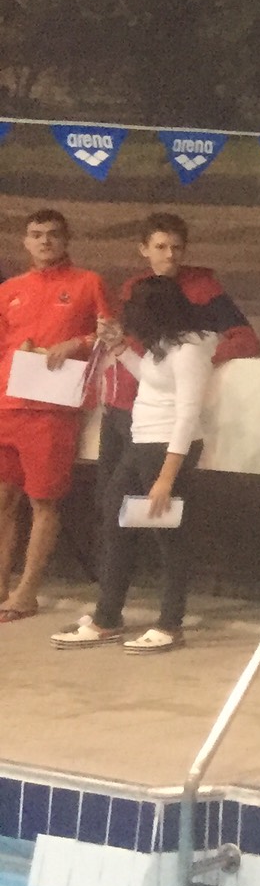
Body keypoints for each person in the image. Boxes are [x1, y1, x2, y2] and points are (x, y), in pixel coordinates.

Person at [53, 276, 214, 651]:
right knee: (115, 520)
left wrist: (166, 478)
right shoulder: (164, 345)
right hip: (141, 442)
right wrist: (120, 348)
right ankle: (107, 617)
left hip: (167, 449)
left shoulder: (190, 351)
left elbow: (187, 415)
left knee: (170, 536)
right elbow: (151, 379)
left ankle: (170, 623)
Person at [0, 210, 114, 621]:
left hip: (52, 409)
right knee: (2, 499)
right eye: (36, 234)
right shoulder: (10, 289)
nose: (44, 241)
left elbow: (111, 334)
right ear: (25, 241)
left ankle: (26, 592)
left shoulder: (88, 282)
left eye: (52, 234)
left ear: (66, 240)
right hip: (7, 404)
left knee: (43, 500)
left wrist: (77, 342)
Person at [96, 211, 259, 487]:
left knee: (140, 501)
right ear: (144, 249)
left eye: (177, 247)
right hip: (124, 404)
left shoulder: (203, 289)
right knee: (111, 498)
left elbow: (246, 340)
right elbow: (132, 341)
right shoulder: (135, 288)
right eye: (161, 247)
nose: (170, 255)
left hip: (161, 419)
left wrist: (196, 363)